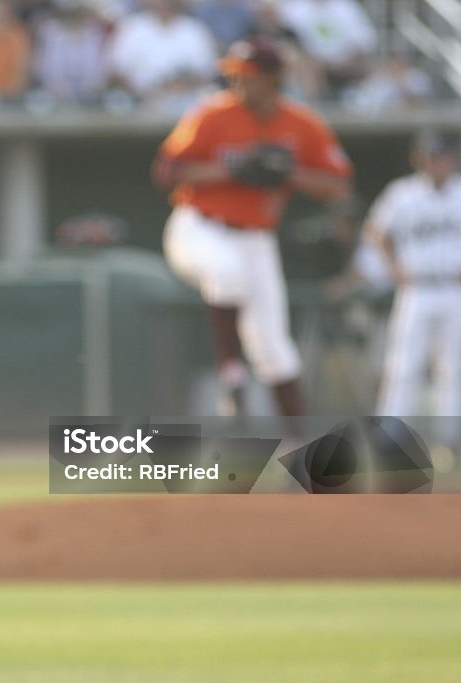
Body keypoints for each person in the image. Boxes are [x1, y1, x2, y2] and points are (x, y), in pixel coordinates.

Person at [153, 39, 352, 416]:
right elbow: (166, 171)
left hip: (257, 238)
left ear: (274, 79)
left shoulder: (301, 124)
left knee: (275, 349)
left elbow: (337, 185)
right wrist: (233, 168)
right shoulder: (212, 114)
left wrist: (290, 172)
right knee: (227, 273)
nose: (237, 82)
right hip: (199, 228)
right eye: (234, 74)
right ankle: (233, 378)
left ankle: (299, 449)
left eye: (248, 75)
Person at [366, 131, 461, 419]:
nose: (436, 162)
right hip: (416, 288)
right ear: (418, 159)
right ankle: (392, 438)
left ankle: (451, 441)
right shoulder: (402, 193)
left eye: (441, 156)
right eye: (430, 157)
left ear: (452, 158)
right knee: (403, 365)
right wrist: (392, 267)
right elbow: (375, 231)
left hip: (453, 288)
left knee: (454, 368)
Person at [107, 0, 217, 110]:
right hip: (138, 109)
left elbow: (207, 73)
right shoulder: (131, 28)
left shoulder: (195, 30)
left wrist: (180, 86)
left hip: (188, 110)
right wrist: (143, 95)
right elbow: (115, 72)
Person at [277, 0, 377, 98]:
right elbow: (287, 38)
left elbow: (364, 42)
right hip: (310, 63)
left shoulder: (346, 7)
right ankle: (313, 103)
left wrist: (341, 61)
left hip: (346, 62)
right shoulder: (295, 8)